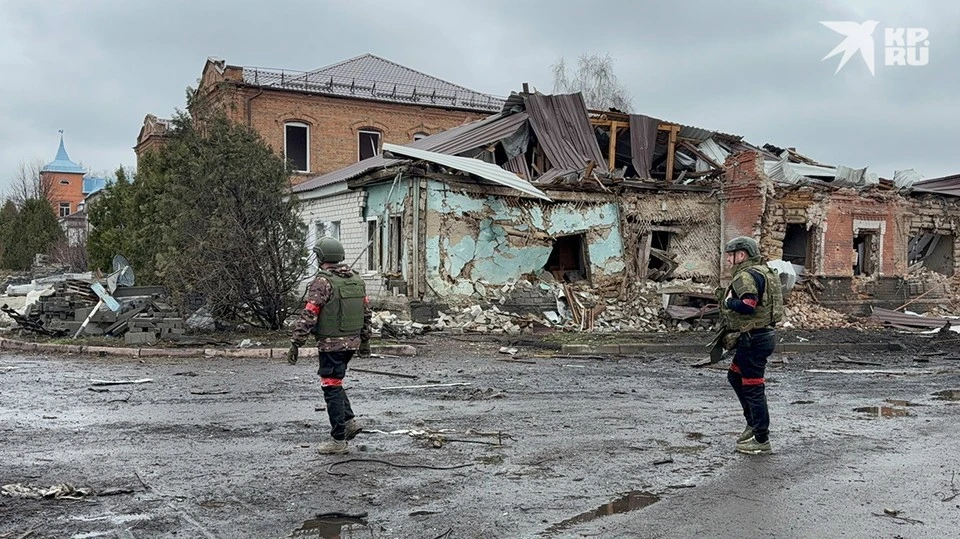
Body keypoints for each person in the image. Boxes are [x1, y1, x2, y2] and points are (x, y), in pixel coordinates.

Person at [287, 237, 372, 455]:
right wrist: (366, 341)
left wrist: (296, 342)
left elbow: (310, 312)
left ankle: (338, 439)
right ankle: (349, 421)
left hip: (331, 344)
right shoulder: (356, 279)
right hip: (352, 341)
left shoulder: (323, 282)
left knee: (330, 386)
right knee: (335, 381)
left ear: (322, 257)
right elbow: (366, 313)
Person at [718, 236, 783, 455]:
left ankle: (761, 438)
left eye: (731, 255)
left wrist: (728, 302)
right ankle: (752, 424)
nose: (728, 259)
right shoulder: (763, 271)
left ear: (742, 255)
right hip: (762, 335)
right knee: (735, 377)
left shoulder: (745, 276)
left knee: (753, 387)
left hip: (753, 338)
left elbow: (748, 304)